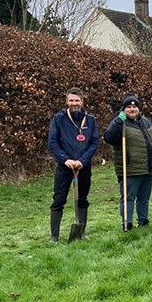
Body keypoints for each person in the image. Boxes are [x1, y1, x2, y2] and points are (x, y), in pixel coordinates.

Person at [47, 87, 99, 242]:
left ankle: (81, 232)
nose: (74, 103)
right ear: (66, 101)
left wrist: (82, 161)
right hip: (65, 166)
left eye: (77, 100)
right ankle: (54, 237)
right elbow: (52, 142)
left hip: (83, 166)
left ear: (82, 102)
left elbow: (94, 142)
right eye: (71, 100)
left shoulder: (90, 120)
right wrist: (65, 159)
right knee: (59, 199)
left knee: (82, 199)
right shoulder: (58, 119)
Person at [103, 94, 152, 231]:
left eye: (134, 106)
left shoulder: (147, 122)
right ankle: (127, 223)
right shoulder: (119, 122)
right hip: (130, 168)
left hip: (148, 168)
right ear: (124, 109)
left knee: (144, 198)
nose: (132, 109)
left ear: (139, 109)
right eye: (128, 107)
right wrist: (118, 121)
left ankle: (143, 221)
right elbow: (109, 138)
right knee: (128, 198)